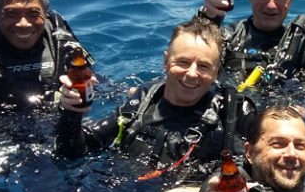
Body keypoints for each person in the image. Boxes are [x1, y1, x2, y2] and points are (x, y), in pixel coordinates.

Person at [55, 17, 255, 179]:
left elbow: (258, 165)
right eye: (183, 62)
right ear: (166, 61)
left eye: (204, 66)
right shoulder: (144, 100)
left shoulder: (229, 113)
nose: (192, 74)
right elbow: (72, 153)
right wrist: (71, 113)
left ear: (216, 72)